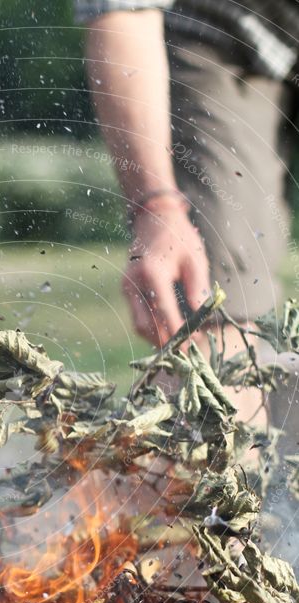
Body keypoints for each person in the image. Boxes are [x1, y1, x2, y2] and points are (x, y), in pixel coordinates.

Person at [75, 1, 298, 363]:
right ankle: (214, 407)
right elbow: (123, 12)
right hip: (218, 28)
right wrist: (158, 208)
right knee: (210, 299)